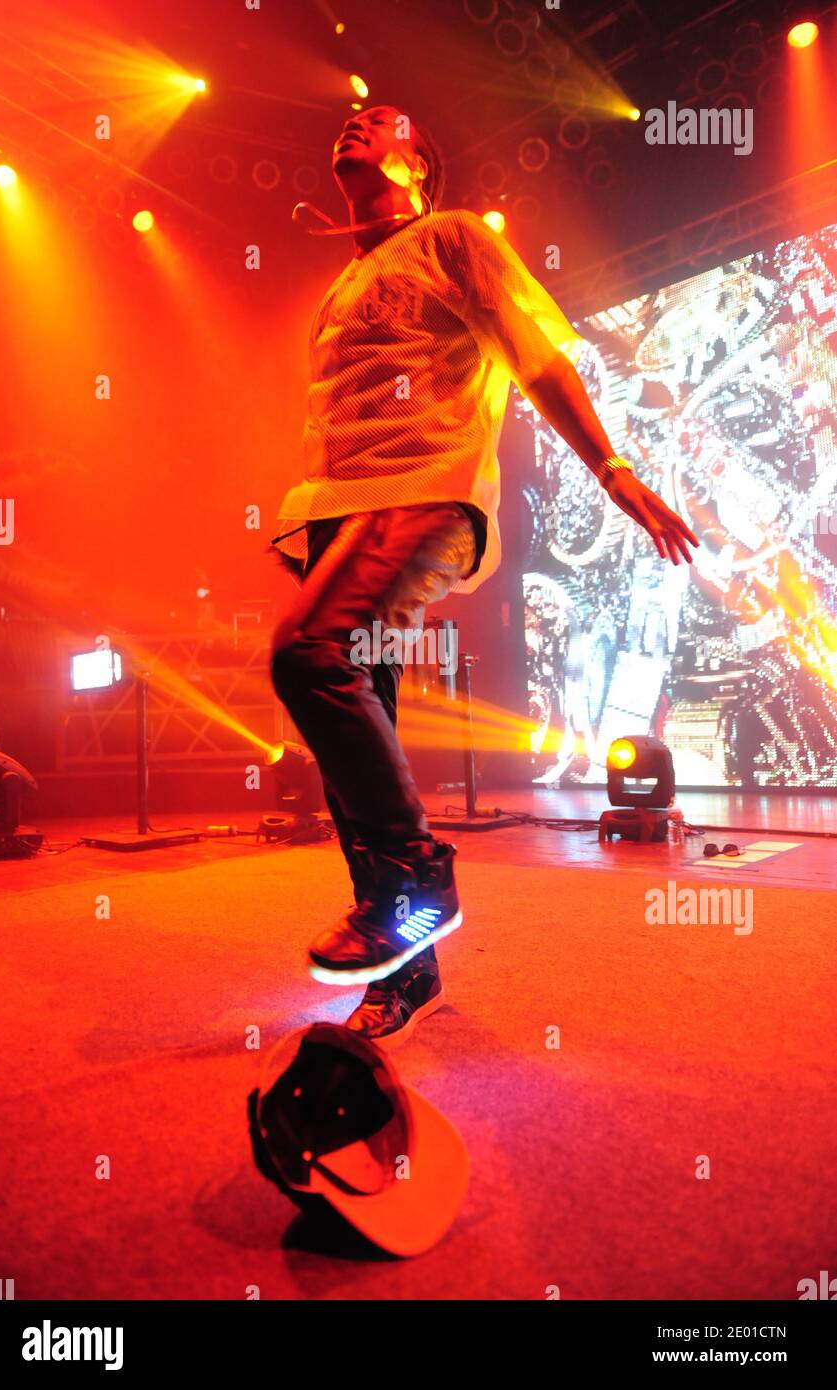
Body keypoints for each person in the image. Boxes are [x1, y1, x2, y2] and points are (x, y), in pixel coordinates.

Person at [270, 105, 698, 1046]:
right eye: (349, 117)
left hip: (422, 494)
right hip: (333, 510)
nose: (354, 123)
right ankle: (404, 967)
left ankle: (419, 867)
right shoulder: (343, 283)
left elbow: (537, 358)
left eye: (379, 121)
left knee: (305, 654)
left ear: (416, 162)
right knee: (353, 740)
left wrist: (612, 469)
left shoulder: (453, 238)